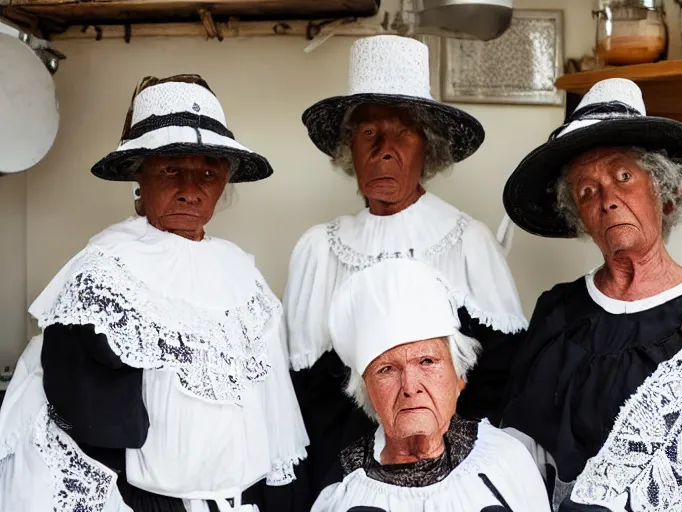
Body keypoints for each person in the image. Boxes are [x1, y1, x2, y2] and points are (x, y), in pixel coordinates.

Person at [0, 74, 308, 512]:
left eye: (207, 172)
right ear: (139, 175)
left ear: (225, 179)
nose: (189, 190)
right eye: (170, 170)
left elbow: (272, 413)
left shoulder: (243, 273)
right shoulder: (107, 269)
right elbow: (89, 419)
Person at [500, 77, 682, 511]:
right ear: (580, 217)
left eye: (623, 176)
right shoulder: (557, 311)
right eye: (587, 191)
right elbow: (518, 454)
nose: (607, 199)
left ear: (663, 193)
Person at [286, 34, 528, 500]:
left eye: (403, 132)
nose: (385, 149)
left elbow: (501, 383)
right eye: (369, 134)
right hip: (347, 482)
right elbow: (305, 397)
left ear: (428, 148)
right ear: (350, 151)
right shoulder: (318, 250)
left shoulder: (468, 241)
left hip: (452, 480)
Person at [311, 259, 550, 512]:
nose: (410, 387)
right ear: (366, 391)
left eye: (427, 361)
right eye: (387, 370)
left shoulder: (508, 460)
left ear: (459, 376)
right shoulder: (343, 494)